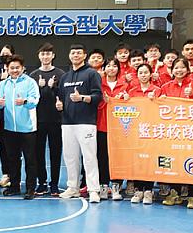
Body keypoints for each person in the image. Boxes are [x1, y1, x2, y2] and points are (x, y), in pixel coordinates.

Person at [56, 44, 103, 202]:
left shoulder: (92, 74)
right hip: (67, 123)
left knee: (89, 157)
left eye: (78, 53)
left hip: (86, 123)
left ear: (84, 56)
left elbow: (97, 97)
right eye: (73, 53)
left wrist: (82, 98)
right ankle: (73, 187)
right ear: (69, 56)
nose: (75, 55)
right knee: (70, 157)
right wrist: (59, 105)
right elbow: (60, 98)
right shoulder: (65, 77)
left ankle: (93, 189)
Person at [159, 58, 193, 207]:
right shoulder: (165, 86)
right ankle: (175, 192)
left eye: (182, 67)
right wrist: (159, 99)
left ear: (188, 69)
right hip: (172, 131)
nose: (179, 70)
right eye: (176, 68)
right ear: (172, 70)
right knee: (173, 161)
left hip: (191, 130)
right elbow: (157, 106)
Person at [0, 55, 39, 198]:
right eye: (12, 68)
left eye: (17, 68)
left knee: (30, 159)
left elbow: (35, 100)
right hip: (9, 128)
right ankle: (14, 186)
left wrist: (25, 101)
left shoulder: (30, 82)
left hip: (27, 128)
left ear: (22, 68)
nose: (14, 70)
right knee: (12, 159)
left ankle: (31, 188)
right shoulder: (3, 84)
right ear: (7, 69)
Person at [28, 43, 64, 196]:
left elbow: (64, 95)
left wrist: (53, 87)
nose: (45, 57)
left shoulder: (61, 74)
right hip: (38, 120)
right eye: (43, 54)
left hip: (56, 120)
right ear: (39, 56)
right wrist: (39, 86)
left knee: (56, 153)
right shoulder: (33, 75)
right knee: (38, 153)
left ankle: (54, 183)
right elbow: (30, 97)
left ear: (53, 56)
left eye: (48, 54)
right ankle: (42, 182)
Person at [124, 63, 162, 204]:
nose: (143, 75)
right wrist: (125, 100)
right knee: (137, 159)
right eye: (141, 73)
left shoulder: (158, 90)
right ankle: (139, 190)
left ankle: (148, 191)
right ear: (137, 75)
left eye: (146, 72)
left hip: (152, 130)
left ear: (151, 74)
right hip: (136, 130)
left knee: (150, 160)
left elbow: (164, 108)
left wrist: (155, 101)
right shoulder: (132, 91)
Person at [99, 59, 128, 201]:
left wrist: (126, 100)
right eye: (108, 66)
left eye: (114, 66)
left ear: (118, 68)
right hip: (102, 126)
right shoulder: (99, 84)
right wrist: (104, 102)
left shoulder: (125, 85)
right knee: (102, 157)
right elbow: (93, 103)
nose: (111, 68)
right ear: (104, 68)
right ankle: (103, 186)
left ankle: (116, 186)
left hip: (120, 128)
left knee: (118, 157)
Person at [0, 45, 15, 187]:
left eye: (7, 53)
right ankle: (6, 174)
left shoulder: (17, 70)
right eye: (3, 53)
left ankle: (14, 175)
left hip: (15, 116)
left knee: (13, 148)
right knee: (3, 147)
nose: (4, 55)